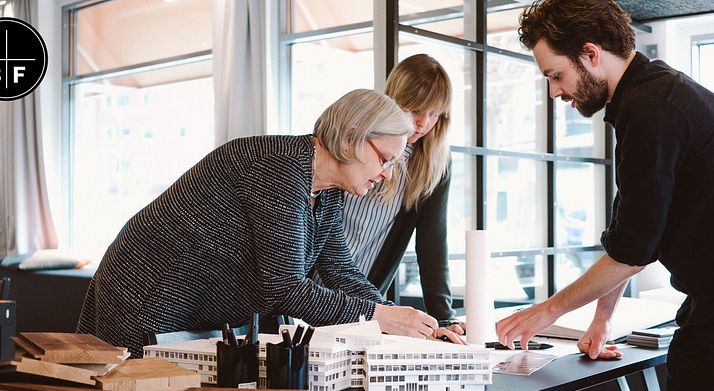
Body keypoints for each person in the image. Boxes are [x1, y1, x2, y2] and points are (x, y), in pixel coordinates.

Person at [494, 0, 714, 391]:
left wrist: (544, 313)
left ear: (591, 54)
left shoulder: (652, 109)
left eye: (556, 75)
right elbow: (629, 229)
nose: (555, 91)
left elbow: (631, 251)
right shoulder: (648, 97)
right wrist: (602, 320)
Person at [77, 89, 465, 358]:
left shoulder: (326, 190)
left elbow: (340, 272)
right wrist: (381, 318)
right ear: (351, 139)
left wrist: (413, 325)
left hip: (196, 305)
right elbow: (285, 288)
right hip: (148, 292)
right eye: (385, 159)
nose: (386, 174)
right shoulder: (278, 167)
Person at [341, 54, 459, 327]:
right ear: (393, 99)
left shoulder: (434, 162)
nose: (423, 123)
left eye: (434, 114)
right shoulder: (356, 140)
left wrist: (443, 318)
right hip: (309, 282)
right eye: (416, 109)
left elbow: (432, 246)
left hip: (364, 295)